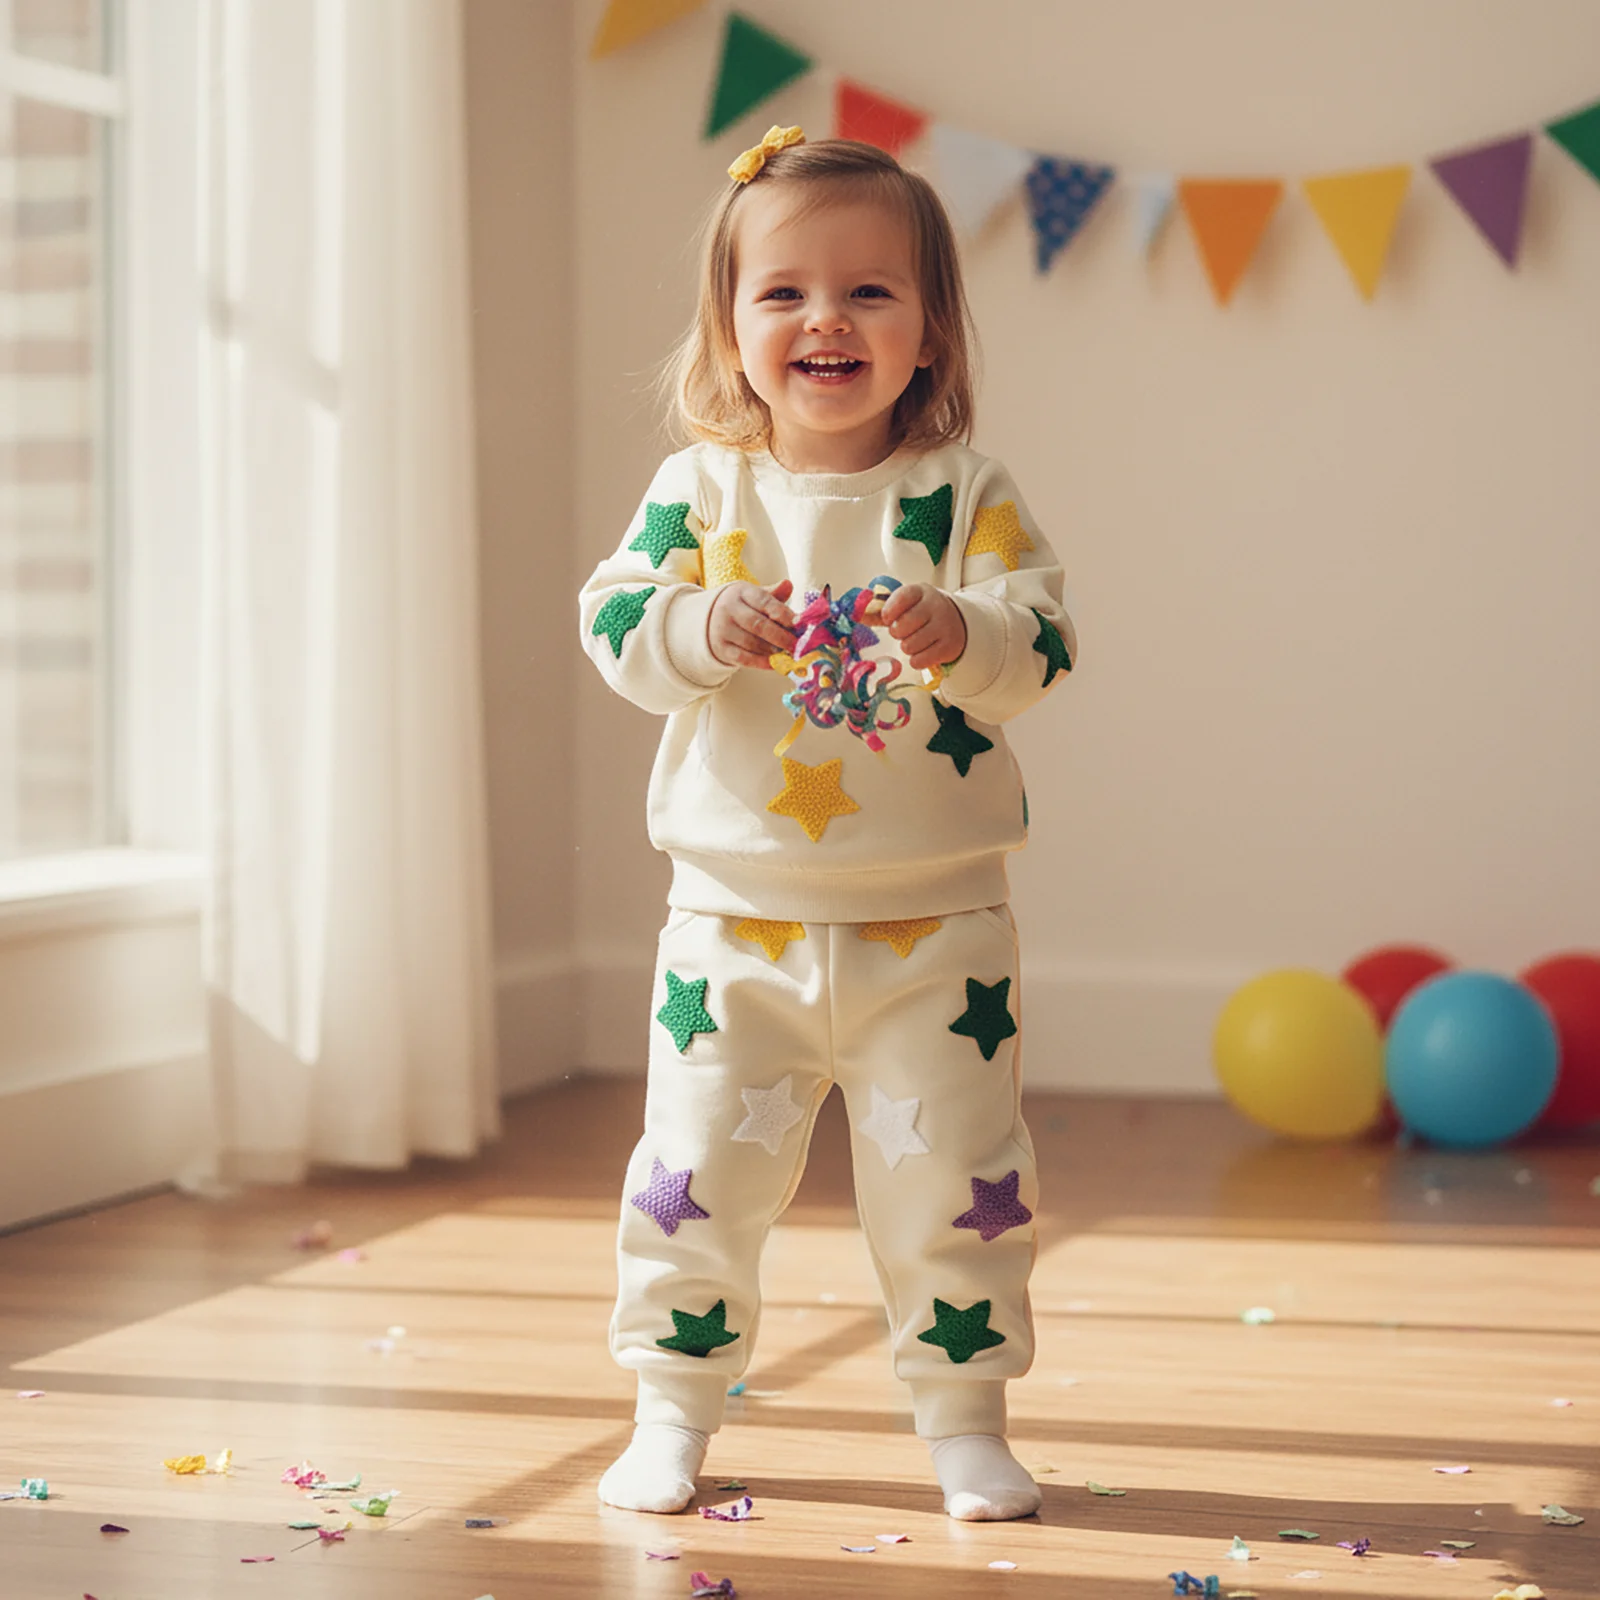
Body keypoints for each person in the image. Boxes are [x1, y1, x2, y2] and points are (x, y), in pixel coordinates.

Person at [577, 124, 1076, 1523]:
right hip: (732, 923)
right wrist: (693, 622)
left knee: (958, 1187)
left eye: (870, 292)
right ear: (731, 334)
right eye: (784, 291)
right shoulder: (701, 492)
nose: (826, 319)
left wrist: (960, 623)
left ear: (928, 333)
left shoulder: (964, 496)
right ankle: (672, 1408)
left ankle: (964, 1417)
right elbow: (611, 622)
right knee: (697, 1180)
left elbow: (1041, 644)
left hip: (939, 929)